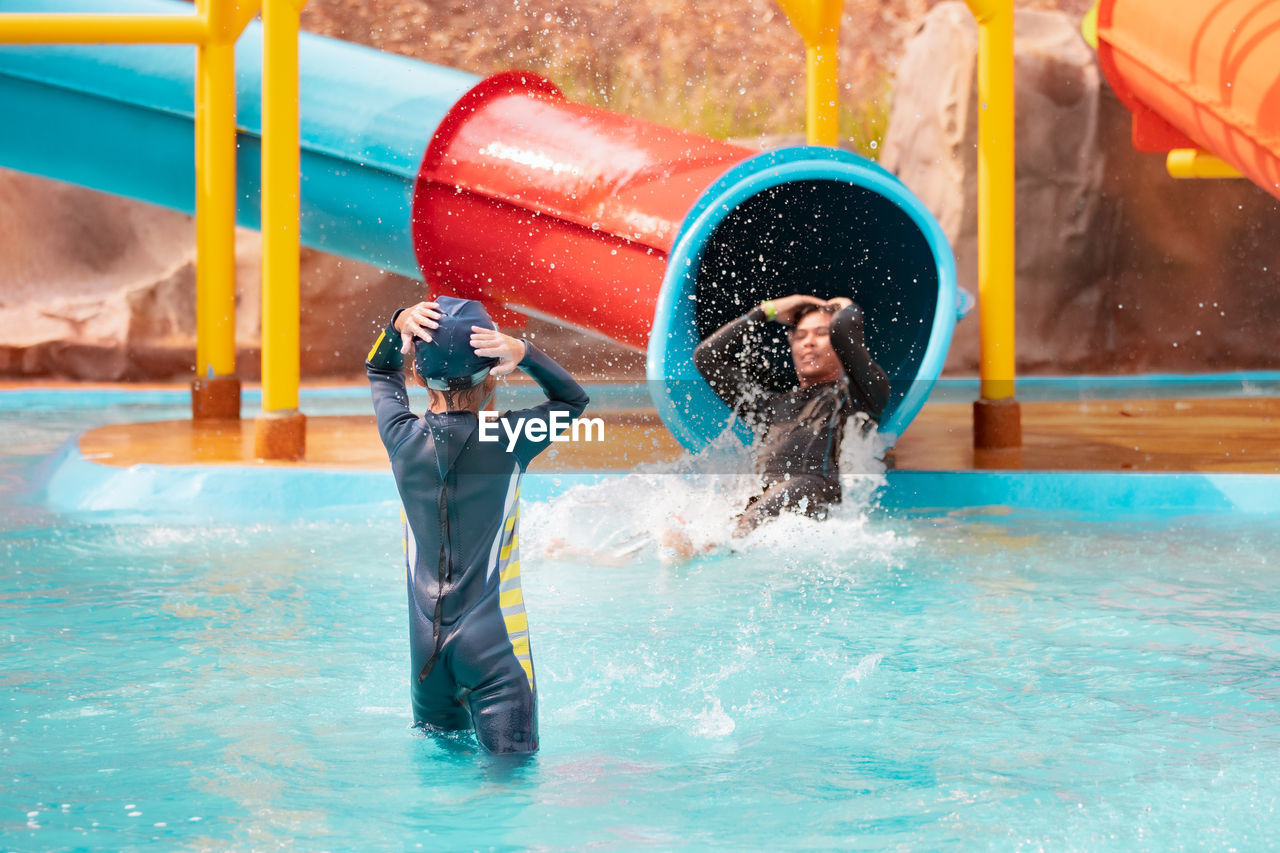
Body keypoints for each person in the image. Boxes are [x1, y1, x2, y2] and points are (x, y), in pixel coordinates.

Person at [365, 295, 589, 755]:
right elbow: (573, 399)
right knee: (509, 785)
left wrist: (396, 325)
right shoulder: (507, 439)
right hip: (494, 652)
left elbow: (378, 370)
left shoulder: (401, 437)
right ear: (492, 373)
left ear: (418, 375)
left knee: (440, 780)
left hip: (426, 656)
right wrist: (525, 352)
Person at [692, 293, 890, 535]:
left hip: (814, 489)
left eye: (821, 333)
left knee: (757, 514)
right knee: (707, 520)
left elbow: (844, 328)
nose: (808, 342)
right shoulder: (768, 406)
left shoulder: (858, 397)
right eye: (800, 336)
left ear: (840, 344)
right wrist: (767, 311)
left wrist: (846, 307)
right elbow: (707, 356)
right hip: (765, 498)